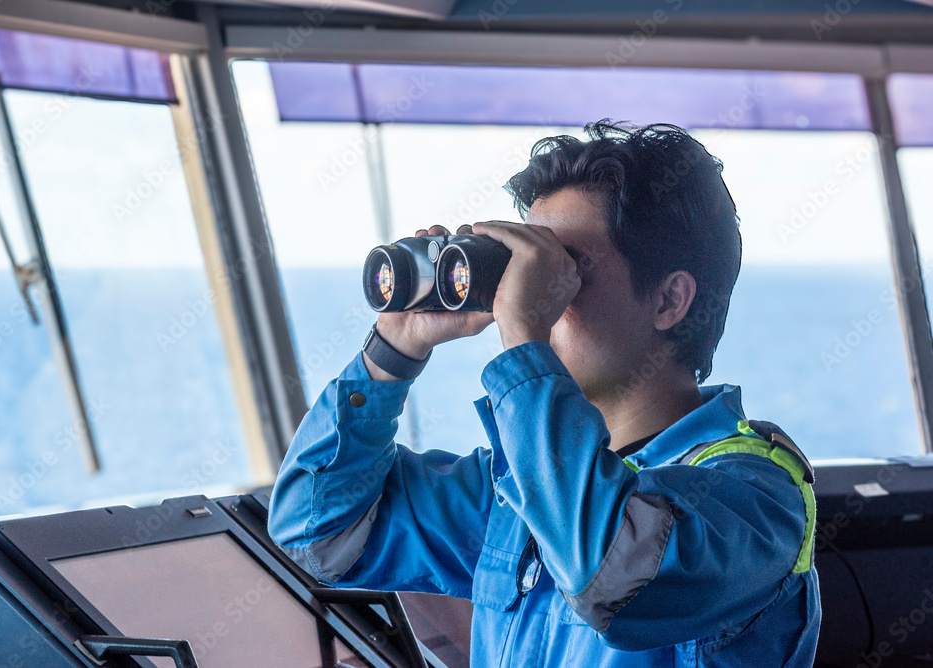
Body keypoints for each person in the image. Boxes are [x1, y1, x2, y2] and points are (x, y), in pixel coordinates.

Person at [268, 121, 821, 665]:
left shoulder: (758, 500)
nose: (528, 295)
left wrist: (524, 343)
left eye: (566, 272)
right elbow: (314, 533)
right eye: (529, 268)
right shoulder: (511, 495)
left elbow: (615, 575)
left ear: (669, 301)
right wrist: (394, 349)